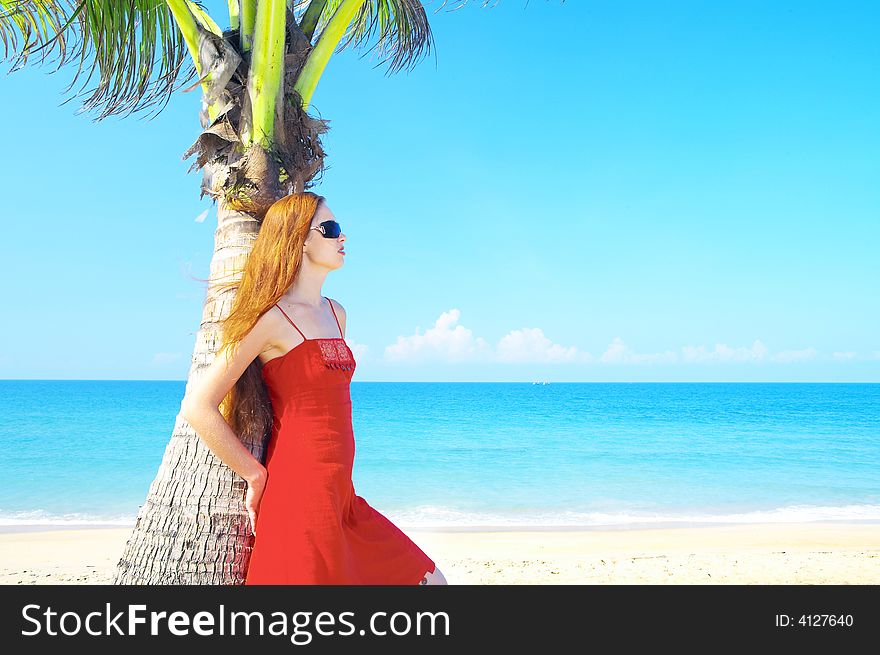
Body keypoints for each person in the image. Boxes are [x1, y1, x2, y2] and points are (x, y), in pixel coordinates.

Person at [181, 192, 447, 585]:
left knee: (430, 581)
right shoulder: (272, 319)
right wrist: (254, 475)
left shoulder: (337, 313)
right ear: (299, 239)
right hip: (300, 493)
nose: (343, 238)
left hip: (343, 495)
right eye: (331, 229)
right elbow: (198, 406)